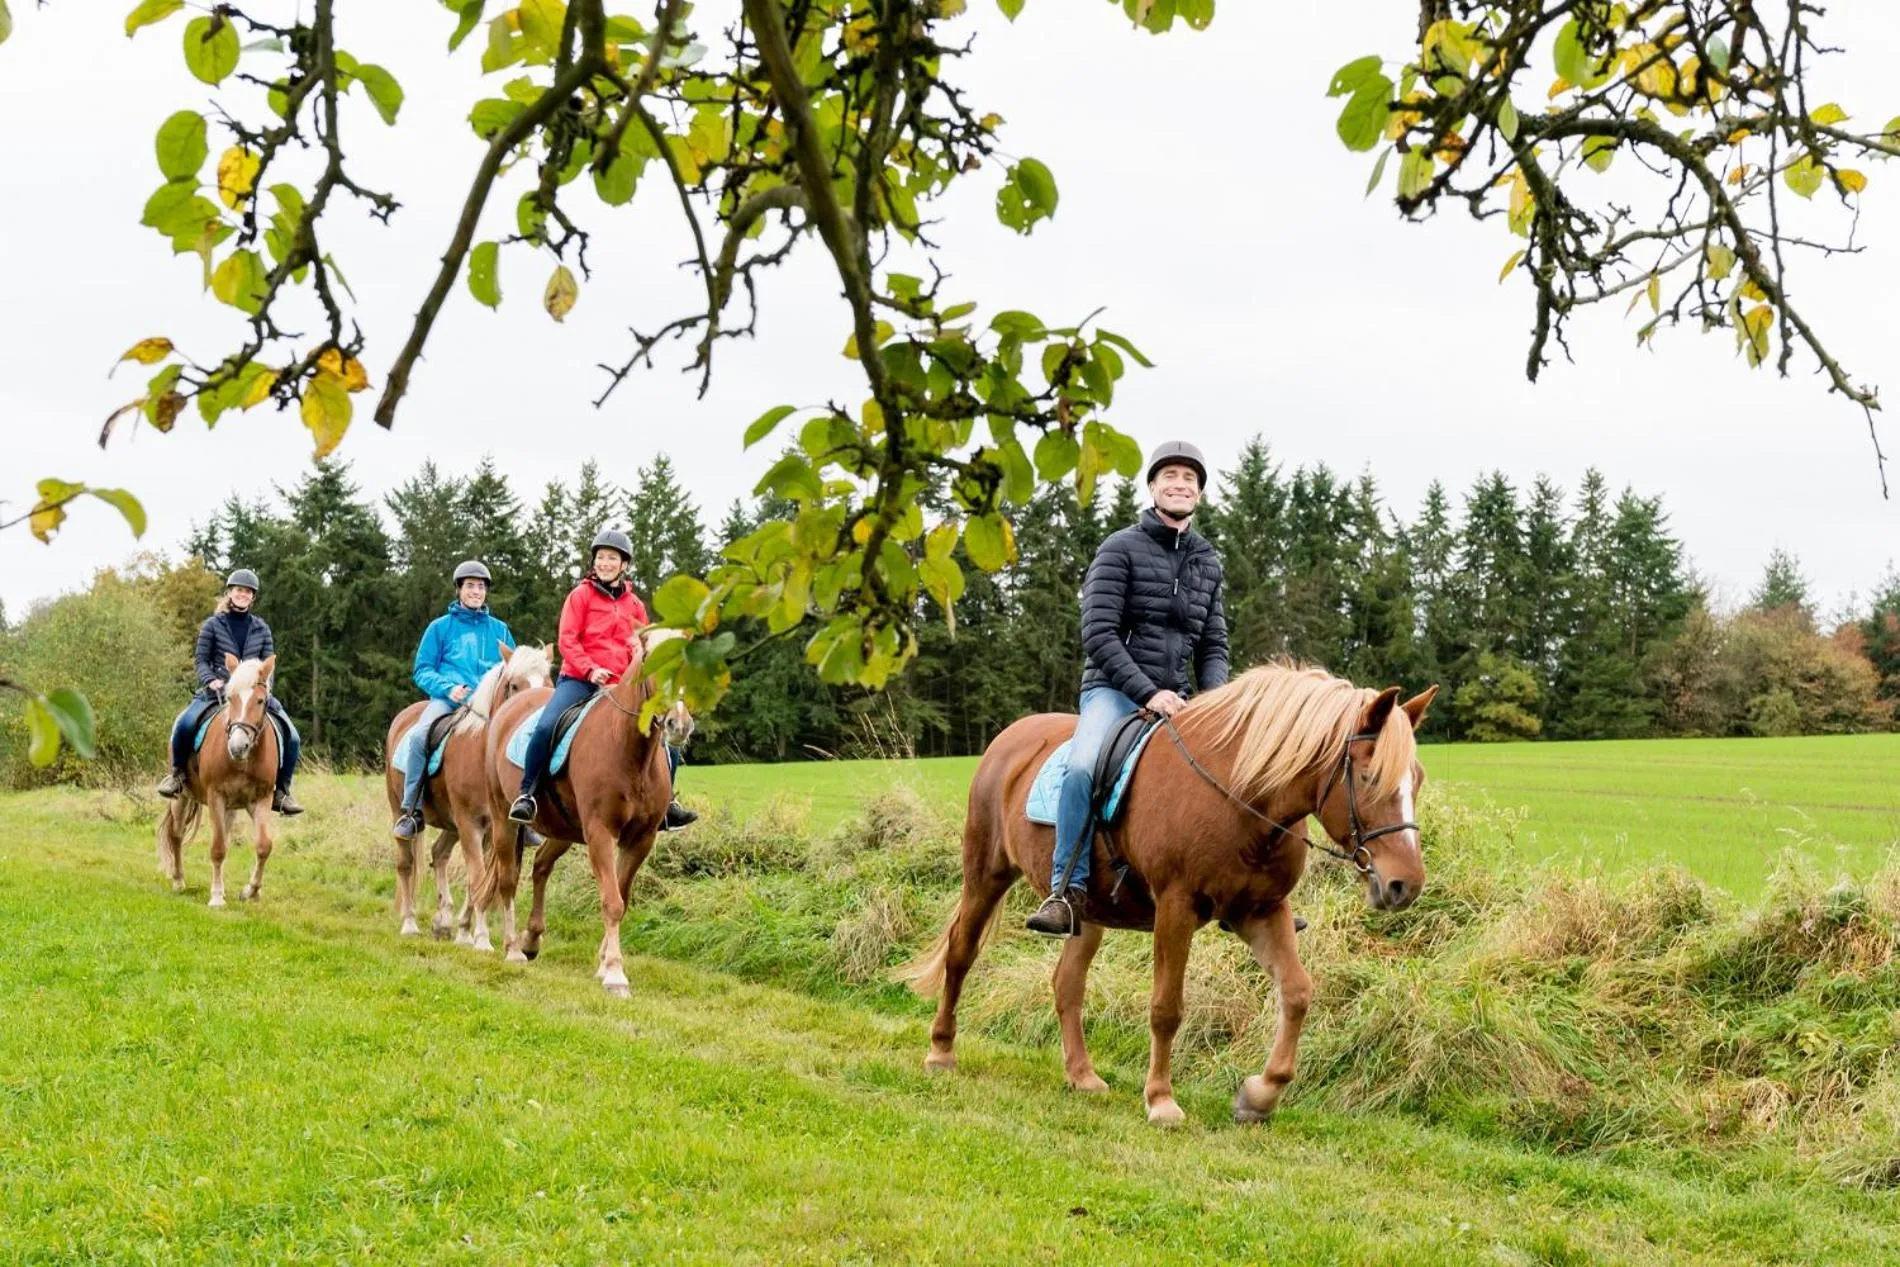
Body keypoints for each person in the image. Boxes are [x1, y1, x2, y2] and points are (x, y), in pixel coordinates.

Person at [1026, 441, 1229, 936]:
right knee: (1082, 768)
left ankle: (1244, 894)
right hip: (1114, 691)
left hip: (1180, 699)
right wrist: (1146, 692)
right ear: (1153, 487)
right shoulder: (1120, 548)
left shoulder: (1208, 561)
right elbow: (1098, 634)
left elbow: (1214, 644)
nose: (1180, 484)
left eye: (1190, 478)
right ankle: (1065, 890)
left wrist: (1215, 703)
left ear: (1199, 493)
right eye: (1171, 476)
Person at [508, 529, 697, 831]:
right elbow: (567, 640)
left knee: (663, 730)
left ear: (624, 565)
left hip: (622, 685)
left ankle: (667, 804)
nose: (605, 563)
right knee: (546, 725)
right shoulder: (579, 596)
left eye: (612, 558)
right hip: (579, 680)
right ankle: (527, 793)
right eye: (600, 557)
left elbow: (640, 646)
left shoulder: (635, 605)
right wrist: (589, 669)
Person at [156, 568, 305, 815]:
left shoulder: (261, 628)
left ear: (253, 597)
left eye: (248, 592)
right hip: (217, 691)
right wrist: (210, 679)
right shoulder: (213, 625)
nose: (243, 595)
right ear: (230, 592)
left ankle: (282, 792)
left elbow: (268, 665)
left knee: (293, 736)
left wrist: (263, 691)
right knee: (184, 723)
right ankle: (177, 776)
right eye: (239, 590)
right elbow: (201, 660)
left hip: (254, 694)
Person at [393, 561, 516, 841]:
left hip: (489, 706)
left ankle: (521, 811)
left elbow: (513, 668)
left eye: (481, 586)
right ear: (459, 589)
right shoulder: (440, 628)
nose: (476, 591)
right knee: (419, 737)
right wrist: (448, 688)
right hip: (450, 701)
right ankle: (411, 809)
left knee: (519, 740)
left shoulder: (500, 630)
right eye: (470, 586)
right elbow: (422, 669)